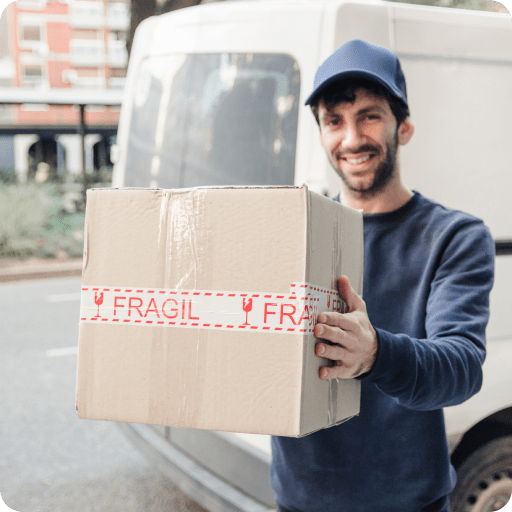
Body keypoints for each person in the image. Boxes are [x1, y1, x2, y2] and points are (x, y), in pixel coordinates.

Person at [270, 39, 495, 512]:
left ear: (404, 127)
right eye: (334, 121)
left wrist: (375, 353)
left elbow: (461, 368)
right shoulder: (294, 231)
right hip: (301, 499)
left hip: (409, 502)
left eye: (369, 115)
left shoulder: (455, 237)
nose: (351, 138)